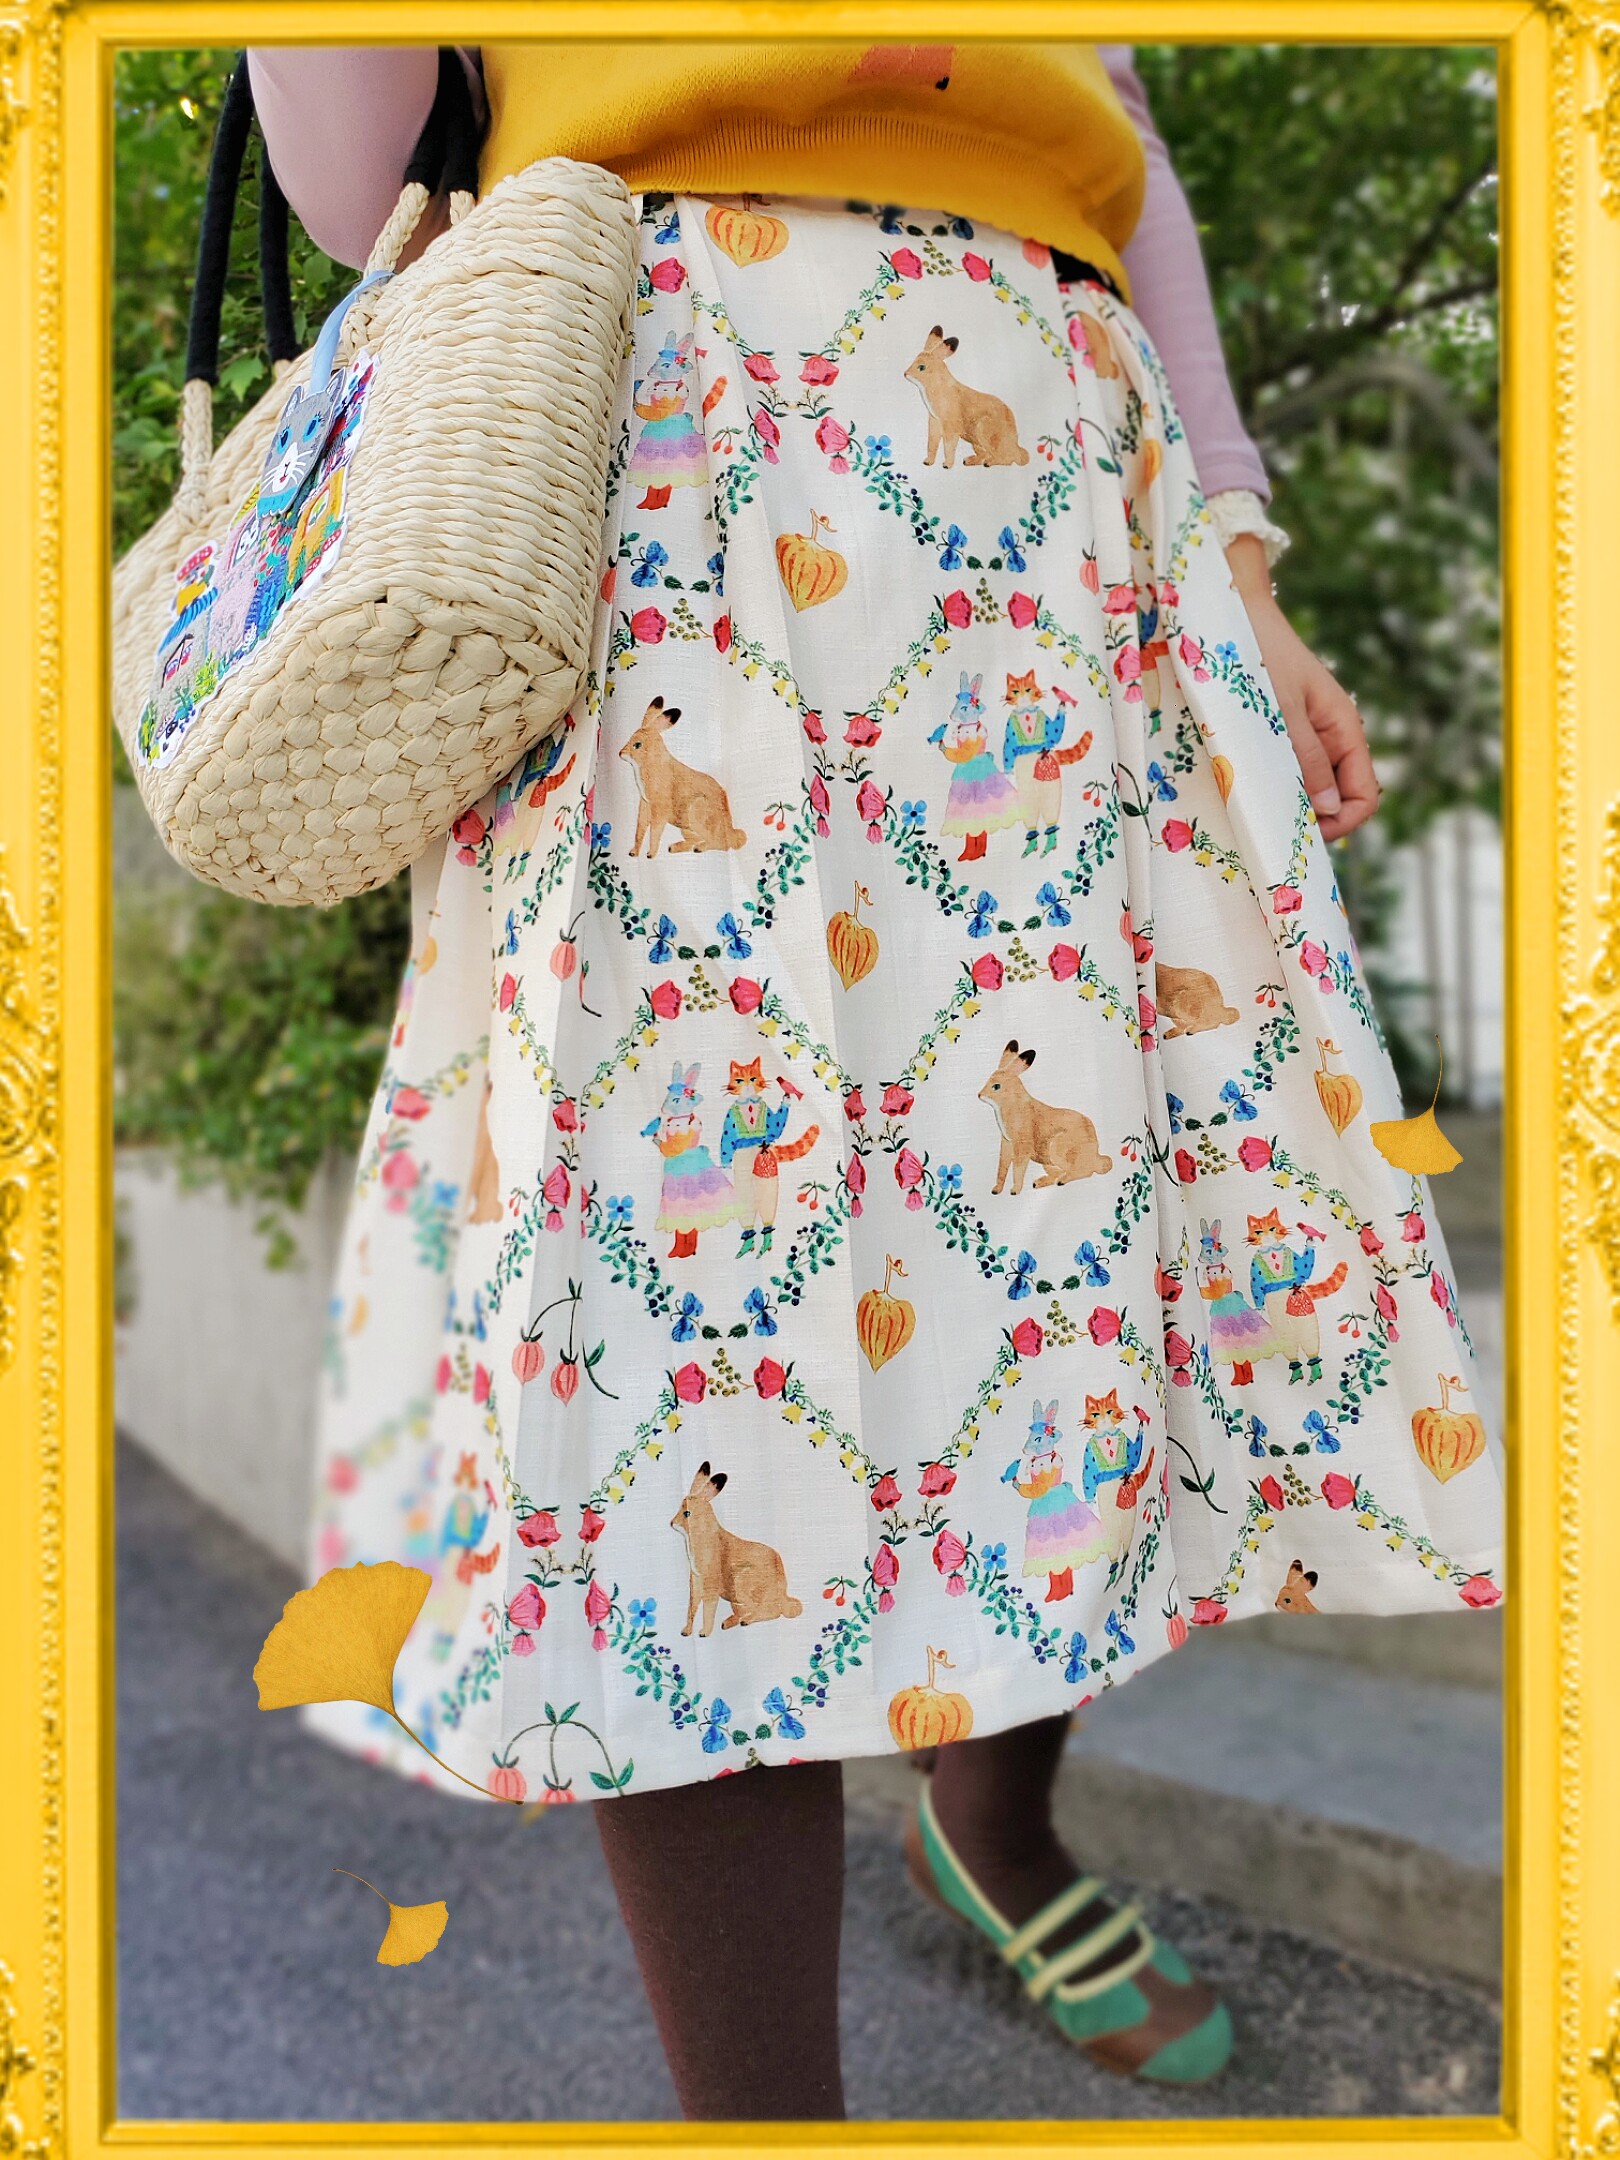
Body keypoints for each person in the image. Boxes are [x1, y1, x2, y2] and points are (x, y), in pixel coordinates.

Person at [251, 40, 1503, 2121]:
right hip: (677, 451)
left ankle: (997, 1834)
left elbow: (1111, 133)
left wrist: (1240, 557)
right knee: (693, 1339)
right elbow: (355, 175)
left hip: (1071, 499)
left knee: (1078, 1251)